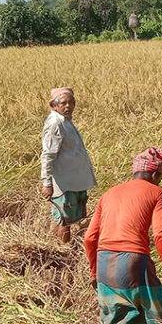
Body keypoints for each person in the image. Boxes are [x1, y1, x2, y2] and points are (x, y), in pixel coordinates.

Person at [83, 147, 162, 324]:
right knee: (157, 316)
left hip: (104, 261)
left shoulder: (109, 194)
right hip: (133, 261)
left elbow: (89, 238)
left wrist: (94, 272)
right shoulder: (158, 193)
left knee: (114, 322)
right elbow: (160, 234)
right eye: (161, 176)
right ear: (156, 174)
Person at [41, 87, 97, 243]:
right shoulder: (55, 124)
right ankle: (63, 249)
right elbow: (48, 155)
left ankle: (52, 245)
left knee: (63, 218)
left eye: (71, 102)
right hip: (64, 182)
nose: (68, 106)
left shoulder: (65, 121)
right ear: (54, 105)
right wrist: (46, 183)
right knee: (64, 219)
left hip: (74, 180)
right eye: (63, 103)